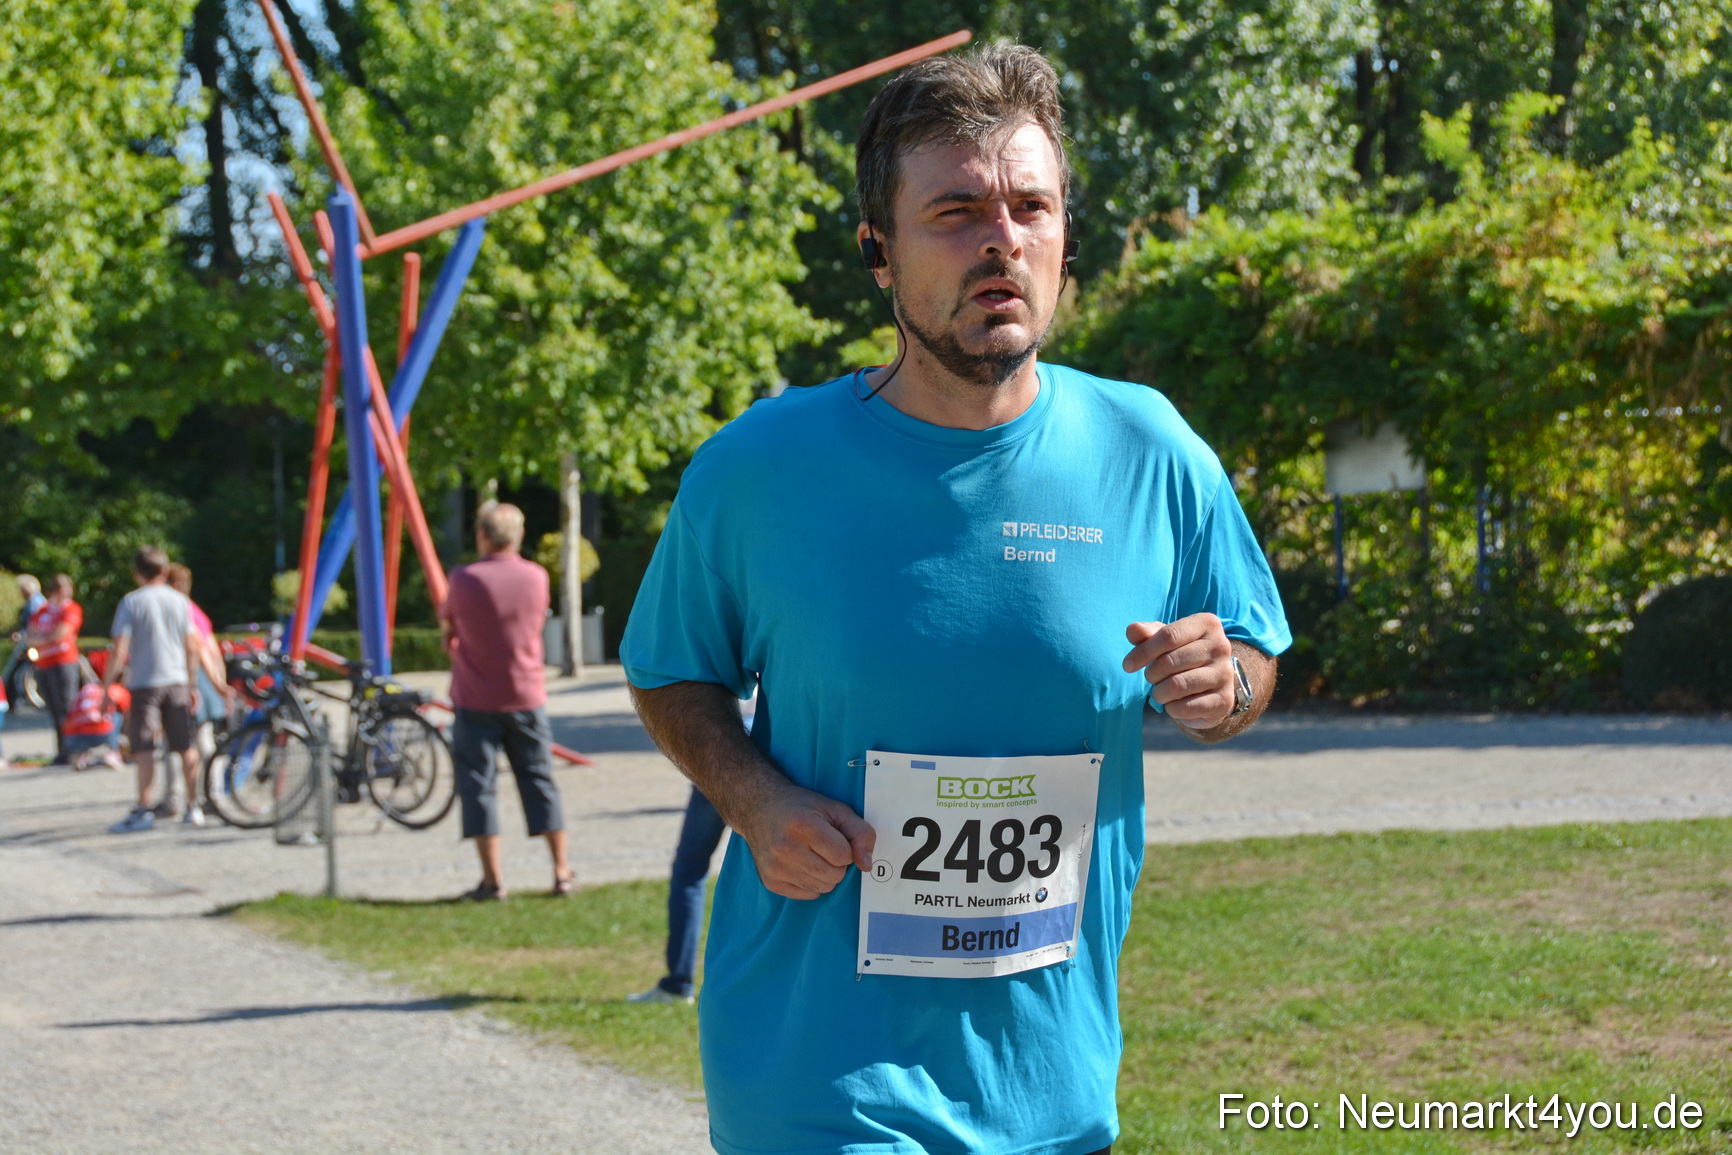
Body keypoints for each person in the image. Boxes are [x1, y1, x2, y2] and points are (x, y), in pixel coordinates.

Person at [620, 45, 1290, 1155]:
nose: (1002, 239)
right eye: (957, 211)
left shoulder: (1150, 448)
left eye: (1032, 206)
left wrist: (1229, 686)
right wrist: (753, 799)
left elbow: (1252, 655)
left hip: (1053, 1085)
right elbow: (669, 669)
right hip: (817, 1082)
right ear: (877, 252)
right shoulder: (760, 468)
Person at [439, 501, 573, 900]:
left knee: (478, 788)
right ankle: (561, 871)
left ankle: (492, 880)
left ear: (482, 535)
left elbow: (449, 629)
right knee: (540, 780)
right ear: (519, 536)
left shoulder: (463, 578)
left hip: (475, 699)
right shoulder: (536, 576)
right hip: (526, 695)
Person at [103, 547, 207, 832]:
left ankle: (143, 809)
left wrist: (106, 687)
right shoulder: (180, 601)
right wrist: (192, 683)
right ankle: (193, 806)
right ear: (164, 570)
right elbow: (192, 645)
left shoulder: (132, 602)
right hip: (177, 680)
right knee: (186, 746)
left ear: (136, 573)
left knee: (145, 747)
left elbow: (119, 649)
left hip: (145, 681)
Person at [26, 574, 83, 764]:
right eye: (60, 591)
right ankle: (62, 750)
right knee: (54, 710)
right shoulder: (43, 610)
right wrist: (42, 639)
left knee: (67, 707)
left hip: (63, 662)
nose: (64, 594)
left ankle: (74, 750)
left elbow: (61, 633)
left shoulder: (71, 608)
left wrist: (42, 639)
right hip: (44, 664)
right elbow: (31, 632)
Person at [62, 679, 130, 772]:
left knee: (81, 718)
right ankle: (112, 753)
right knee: (116, 716)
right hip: (100, 733)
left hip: (71, 736)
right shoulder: (116, 689)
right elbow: (128, 714)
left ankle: (79, 756)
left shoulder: (86, 688)